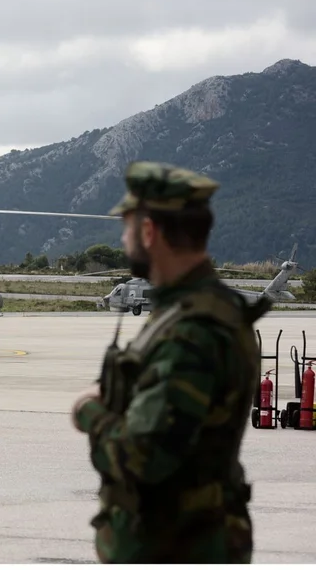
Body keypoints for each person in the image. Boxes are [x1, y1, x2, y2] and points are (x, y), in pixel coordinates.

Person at [71, 161, 270, 563]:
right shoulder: (203, 310)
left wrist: (89, 412)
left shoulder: (190, 332)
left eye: (127, 229)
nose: (124, 240)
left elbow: (144, 458)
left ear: (149, 232)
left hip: (174, 544)